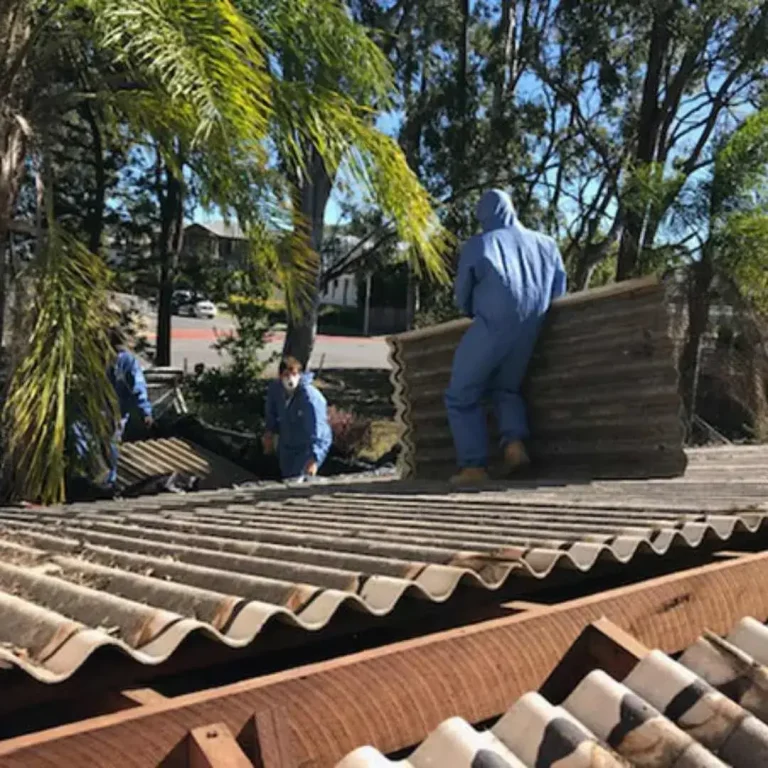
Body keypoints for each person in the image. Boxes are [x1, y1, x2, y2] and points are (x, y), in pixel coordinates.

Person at [444, 189, 567, 485]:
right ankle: (514, 447)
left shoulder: (479, 244)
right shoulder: (547, 244)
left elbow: (462, 294)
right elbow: (559, 289)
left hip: (491, 325)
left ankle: (473, 466)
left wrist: (472, 309)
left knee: (460, 394)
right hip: (532, 328)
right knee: (506, 389)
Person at [70, 327, 154, 490]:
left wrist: (145, 411)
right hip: (96, 408)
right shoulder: (97, 360)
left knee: (108, 443)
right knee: (87, 438)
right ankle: (92, 473)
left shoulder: (125, 362)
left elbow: (137, 387)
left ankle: (108, 479)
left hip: (115, 411)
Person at [263, 356, 333, 480]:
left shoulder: (309, 398)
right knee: (287, 479)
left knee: (299, 481)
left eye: (294, 374)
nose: (290, 378)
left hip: (306, 447)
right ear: (280, 376)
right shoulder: (276, 391)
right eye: (286, 374)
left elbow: (318, 430)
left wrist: (314, 459)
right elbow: (271, 413)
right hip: (287, 446)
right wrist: (269, 433)